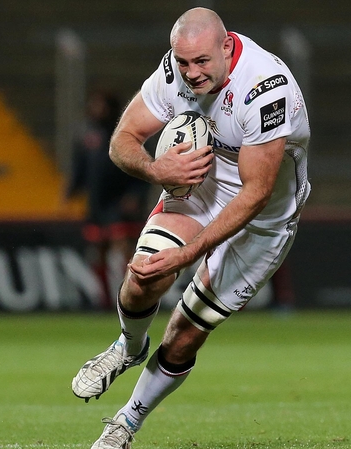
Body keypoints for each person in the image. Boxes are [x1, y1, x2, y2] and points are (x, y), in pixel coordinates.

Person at [70, 8, 310, 448]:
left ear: (225, 46)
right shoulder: (175, 69)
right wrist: (154, 167)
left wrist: (188, 254)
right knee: (143, 274)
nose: (191, 73)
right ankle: (129, 345)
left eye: (201, 62)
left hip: (263, 220)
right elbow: (123, 139)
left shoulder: (265, 89)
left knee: (185, 333)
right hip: (200, 187)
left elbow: (255, 194)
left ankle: (126, 423)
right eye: (183, 62)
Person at [67, 90, 150, 307]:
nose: (95, 110)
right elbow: (80, 167)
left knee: (124, 250)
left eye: (100, 105)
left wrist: (135, 195)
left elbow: (144, 167)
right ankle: (103, 300)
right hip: (96, 203)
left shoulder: (128, 133)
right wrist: (72, 189)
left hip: (120, 202)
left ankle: (131, 296)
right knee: (99, 252)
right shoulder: (88, 136)